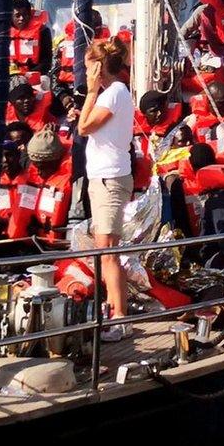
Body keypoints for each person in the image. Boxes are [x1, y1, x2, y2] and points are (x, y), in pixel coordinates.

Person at [74, 37, 136, 339]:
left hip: (111, 180)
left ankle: (120, 317)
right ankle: (114, 308)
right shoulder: (109, 94)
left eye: (88, 68)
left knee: (108, 251)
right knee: (105, 251)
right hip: (101, 178)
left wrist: (89, 92)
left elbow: (84, 128)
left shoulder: (114, 92)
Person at [7, 0, 52, 84]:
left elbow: (46, 62)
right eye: (17, 15)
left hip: (35, 75)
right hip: (10, 75)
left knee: (44, 84)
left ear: (30, 15)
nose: (22, 18)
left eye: (25, 14)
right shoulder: (4, 33)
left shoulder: (42, 31)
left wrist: (28, 75)